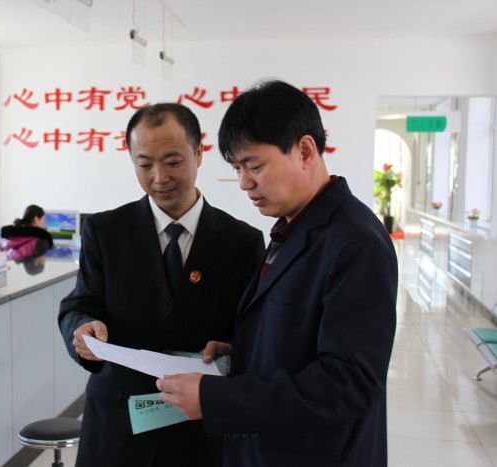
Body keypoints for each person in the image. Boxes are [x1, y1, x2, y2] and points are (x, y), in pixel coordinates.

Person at [157, 79, 398, 467]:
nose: (244, 183)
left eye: (254, 166)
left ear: (305, 151)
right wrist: (243, 353)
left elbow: (350, 382)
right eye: (237, 169)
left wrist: (216, 398)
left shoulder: (354, 241)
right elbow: (300, 336)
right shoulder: (294, 225)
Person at [58, 103, 265, 467]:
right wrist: (83, 328)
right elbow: (81, 303)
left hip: (200, 425)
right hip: (118, 422)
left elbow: (253, 329)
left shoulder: (242, 241)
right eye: (144, 164)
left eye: (172, 162)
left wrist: (234, 349)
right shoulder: (105, 232)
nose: (159, 177)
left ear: (199, 154)